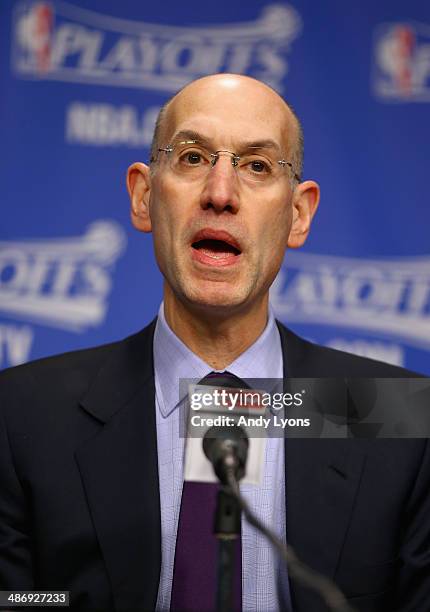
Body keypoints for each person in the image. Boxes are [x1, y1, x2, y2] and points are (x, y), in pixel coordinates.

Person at [0, 74, 429, 612]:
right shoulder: (22, 416)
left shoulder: (401, 418)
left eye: (257, 166)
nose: (220, 195)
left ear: (298, 215)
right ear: (144, 196)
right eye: (193, 158)